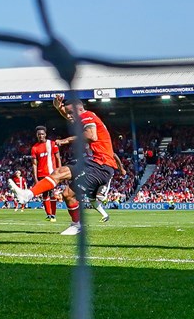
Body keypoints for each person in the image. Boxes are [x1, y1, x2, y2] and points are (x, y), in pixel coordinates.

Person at [11, 95, 117, 237]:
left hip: (101, 165)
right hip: (93, 162)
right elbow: (70, 117)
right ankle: (27, 195)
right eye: (67, 113)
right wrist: (58, 107)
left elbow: (92, 136)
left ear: (79, 109)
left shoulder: (86, 115)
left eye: (70, 113)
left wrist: (67, 140)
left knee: (68, 193)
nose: (68, 116)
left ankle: (78, 224)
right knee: (60, 176)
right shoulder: (83, 117)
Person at [28, 125, 64, 222]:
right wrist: (35, 178)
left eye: (42, 134)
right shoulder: (34, 148)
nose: (41, 136)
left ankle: (53, 214)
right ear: (37, 135)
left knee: (52, 194)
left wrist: (60, 172)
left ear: (45, 134)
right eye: (39, 134)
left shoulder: (52, 144)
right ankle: (49, 215)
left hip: (52, 173)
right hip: (41, 174)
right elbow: (34, 164)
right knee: (45, 194)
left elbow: (57, 158)